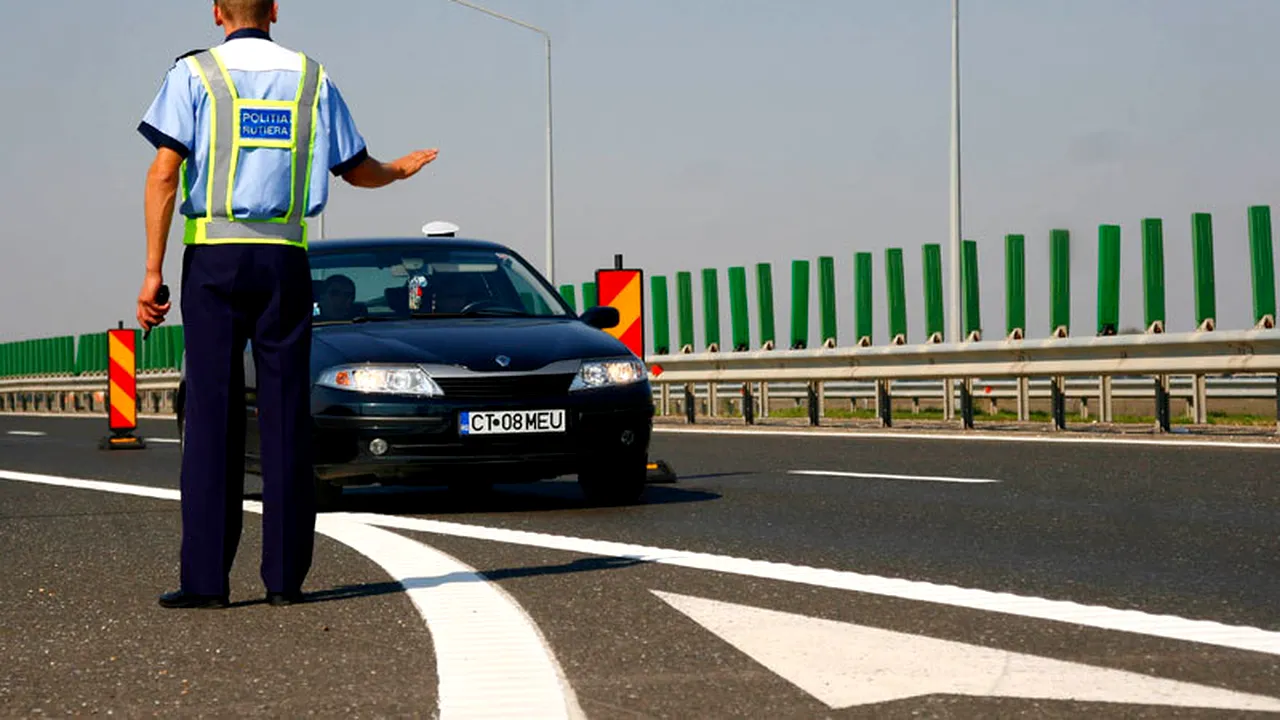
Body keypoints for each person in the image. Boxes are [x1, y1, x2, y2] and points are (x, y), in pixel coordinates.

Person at [135, 0, 438, 609]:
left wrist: (151, 271)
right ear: (275, 10)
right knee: (286, 415)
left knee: (214, 418)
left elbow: (164, 173)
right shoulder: (311, 78)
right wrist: (400, 172)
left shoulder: (194, 76)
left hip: (214, 265)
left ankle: (206, 583)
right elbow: (356, 169)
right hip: (284, 262)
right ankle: (284, 582)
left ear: (218, 12)